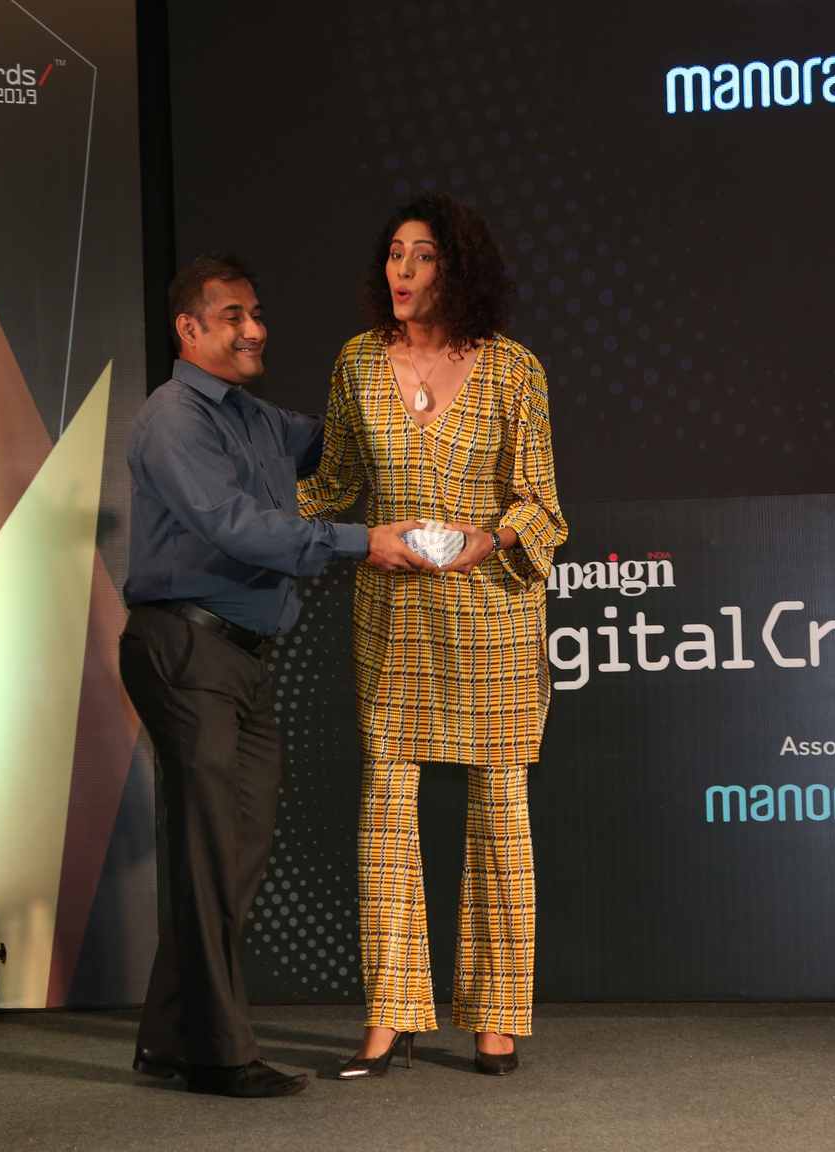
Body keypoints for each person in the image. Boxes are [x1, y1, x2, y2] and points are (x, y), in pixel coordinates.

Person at [121, 255, 429, 1098]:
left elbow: (344, 437)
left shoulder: (259, 419)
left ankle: (167, 1038)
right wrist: (363, 540)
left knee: (232, 855)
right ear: (189, 329)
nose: (255, 329)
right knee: (212, 854)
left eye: (257, 313)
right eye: (233, 317)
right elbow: (237, 528)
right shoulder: (173, 418)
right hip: (185, 650)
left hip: (242, 660)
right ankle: (219, 1055)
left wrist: (411, 363)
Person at [298, 194, 568, 1078]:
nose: (403, 271)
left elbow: (542, 504)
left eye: (422, 256)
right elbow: (333, 484)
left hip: (491, 612)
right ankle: (391, 1014)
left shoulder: (513, 368)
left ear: (458, 268)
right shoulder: (356, 362)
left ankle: (496, 1016)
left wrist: (491, 538)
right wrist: (239, 513)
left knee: (499, 806)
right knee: (385, 806)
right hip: (394, 611)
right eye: (394, 254)